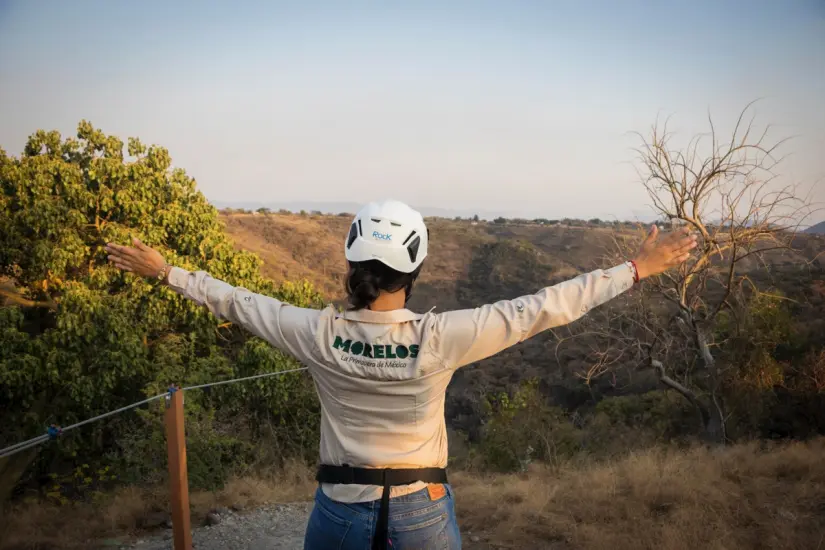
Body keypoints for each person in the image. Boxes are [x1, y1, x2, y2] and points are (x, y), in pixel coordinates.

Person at [105, 199, 697, 550]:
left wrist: (167, 272)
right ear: (413, 272)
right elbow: (545, 306)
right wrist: (637, 268)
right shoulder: (440, 338)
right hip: (422, 508)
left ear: (351, 265)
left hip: (339, 507)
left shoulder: (315, 332)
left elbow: (235, 300)